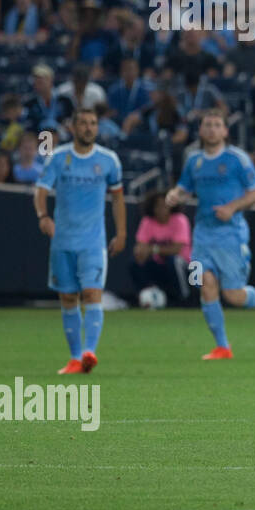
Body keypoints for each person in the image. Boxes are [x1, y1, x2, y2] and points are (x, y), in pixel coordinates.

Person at [165, 108, 255, 360]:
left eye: (216, 124)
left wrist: (232, 207)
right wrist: (175, 194)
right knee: (205, 285)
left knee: (232, 295)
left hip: (230, 235)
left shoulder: (237, 159)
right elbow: (184, 187)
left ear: (225, 130)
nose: (211, 129)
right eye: (207, 124)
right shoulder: (194, 161)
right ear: (200, 130)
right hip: (202, 234)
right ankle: (223, 346)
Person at [33, 107, 126, 375]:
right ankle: (75, 358)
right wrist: (43, 216)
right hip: (62, 241)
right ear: (73, 127)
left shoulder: (109, 160)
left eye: (93, 123)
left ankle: (89, 352)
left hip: (93, 242)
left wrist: (121, 234)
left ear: (98, 127)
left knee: (91, 294)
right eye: (83, 123)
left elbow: (118, 198)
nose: (88, 127)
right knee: (68, 297)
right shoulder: (58, 158)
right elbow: (40, 190)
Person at [131, 189, 192, 305]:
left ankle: (183, 298)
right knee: (135, 261)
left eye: (165, 205)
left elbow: (176, 249)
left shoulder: (180, 220)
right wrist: (141, 252)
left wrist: (152, 249)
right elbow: (141, 246)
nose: (161, 209)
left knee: (174, 261)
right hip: (159, 263)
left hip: (184, 265)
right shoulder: (148, 221)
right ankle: (145, 296)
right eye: (158, 206)